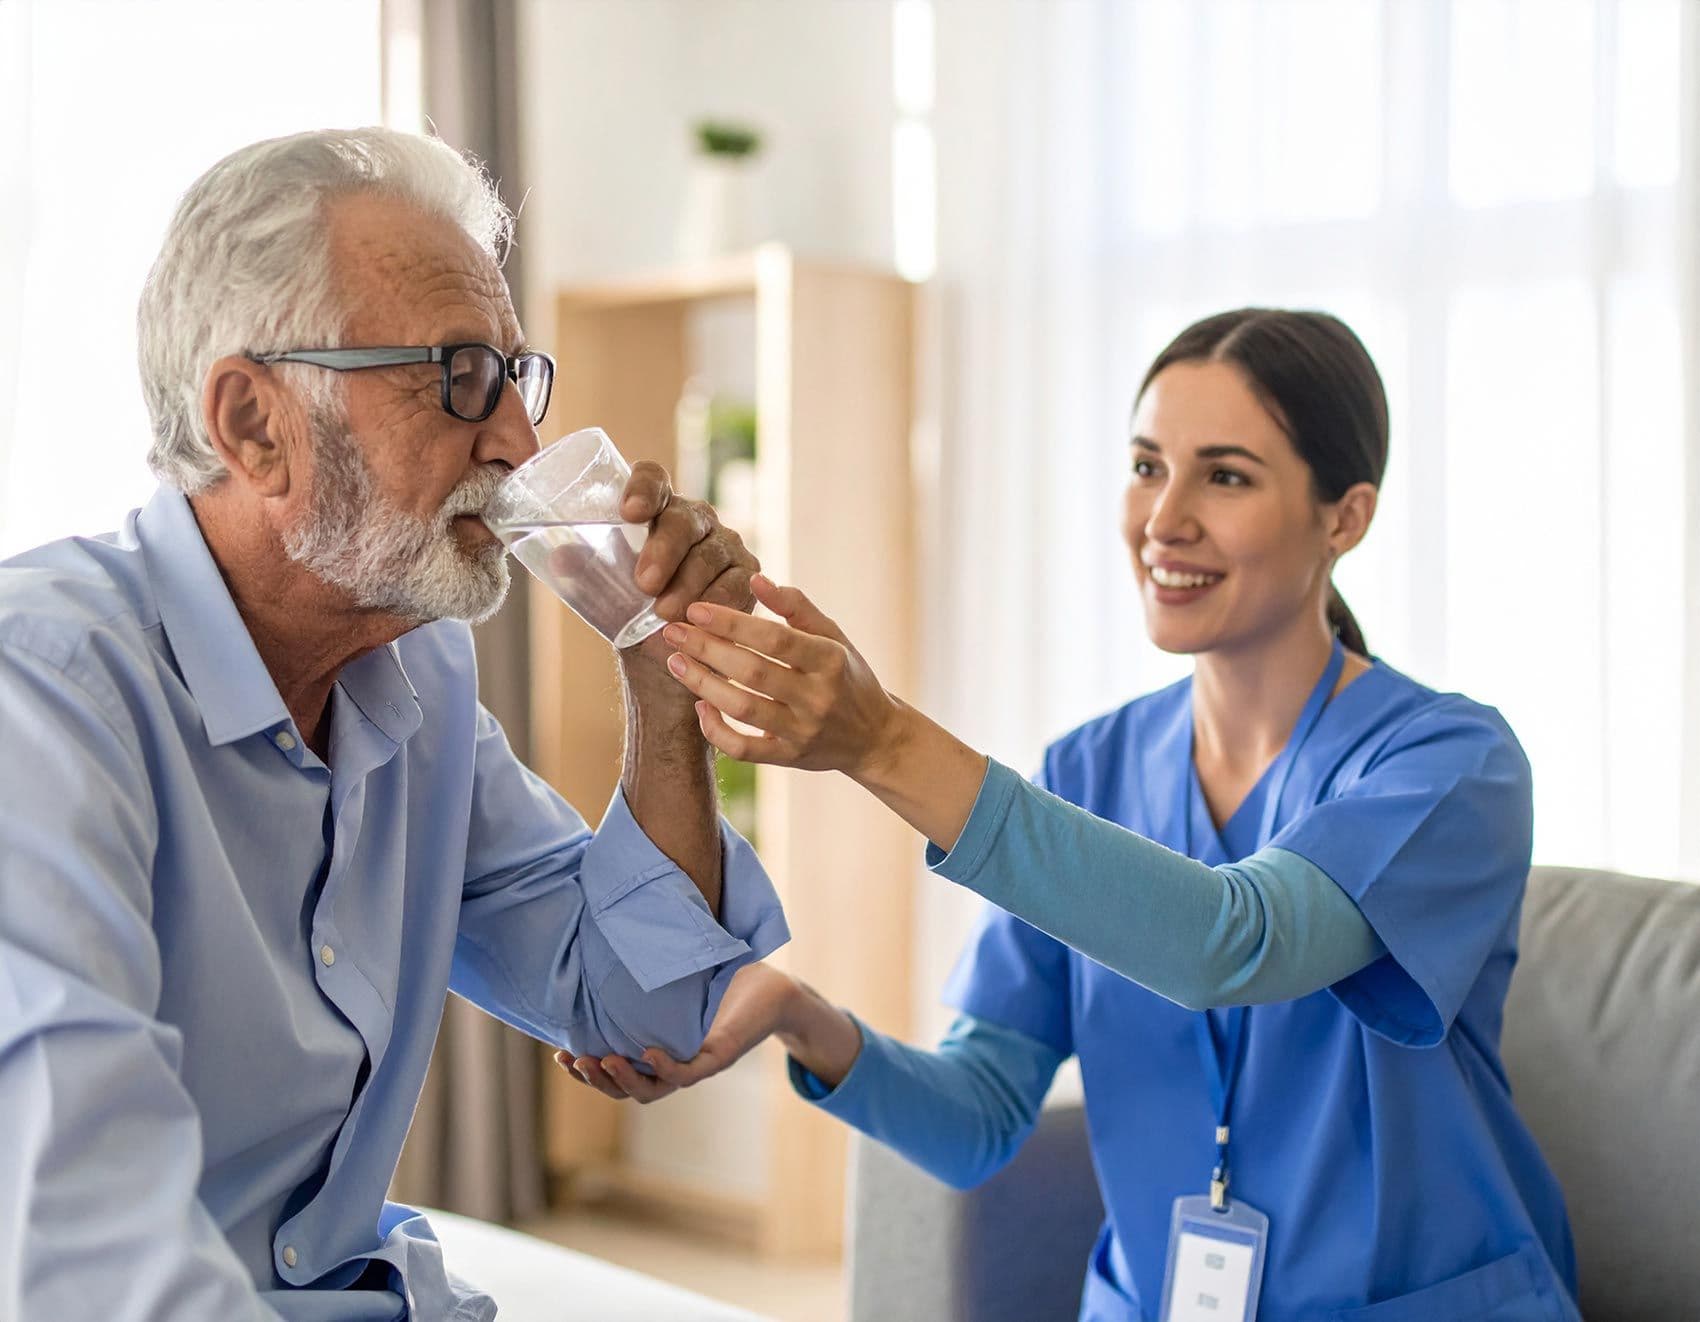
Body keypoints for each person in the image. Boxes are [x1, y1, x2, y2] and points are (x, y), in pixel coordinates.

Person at [571, 310, 1582, 1321]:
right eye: (1146, 465)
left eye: (1224, 475)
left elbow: (1233, 939)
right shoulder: (1092, 769)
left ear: (1343, 516)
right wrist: (799, 1015)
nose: (1163, 517)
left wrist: (881, 740)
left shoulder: (1450, 766)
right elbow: (977, 1117)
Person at [0, 128, 787, 1322]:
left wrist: (657, 671)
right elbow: (91, 1254)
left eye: (518, 378)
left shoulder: (413, 674)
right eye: (459, 374)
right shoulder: (44, 694)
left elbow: (635, 1002)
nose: (517, 442)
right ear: (255, 423)